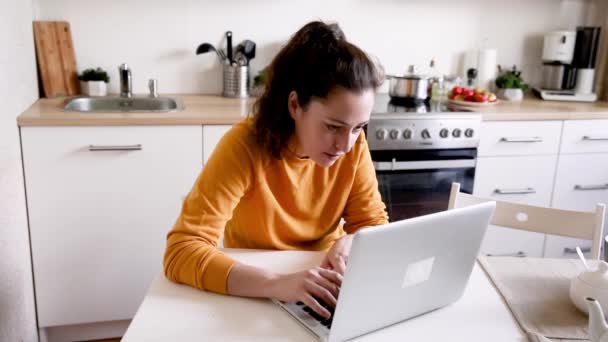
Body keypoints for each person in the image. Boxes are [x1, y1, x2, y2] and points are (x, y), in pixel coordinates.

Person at [163, 21, 388, 320]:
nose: (346, 145)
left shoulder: (353, 145)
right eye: (333, 127)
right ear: (295, 105)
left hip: (323, 288)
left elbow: (372, 224)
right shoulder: (244, 146)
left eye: (358, 128)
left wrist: (352, 241)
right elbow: (182, 250)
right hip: (254, 290)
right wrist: (277, 284)